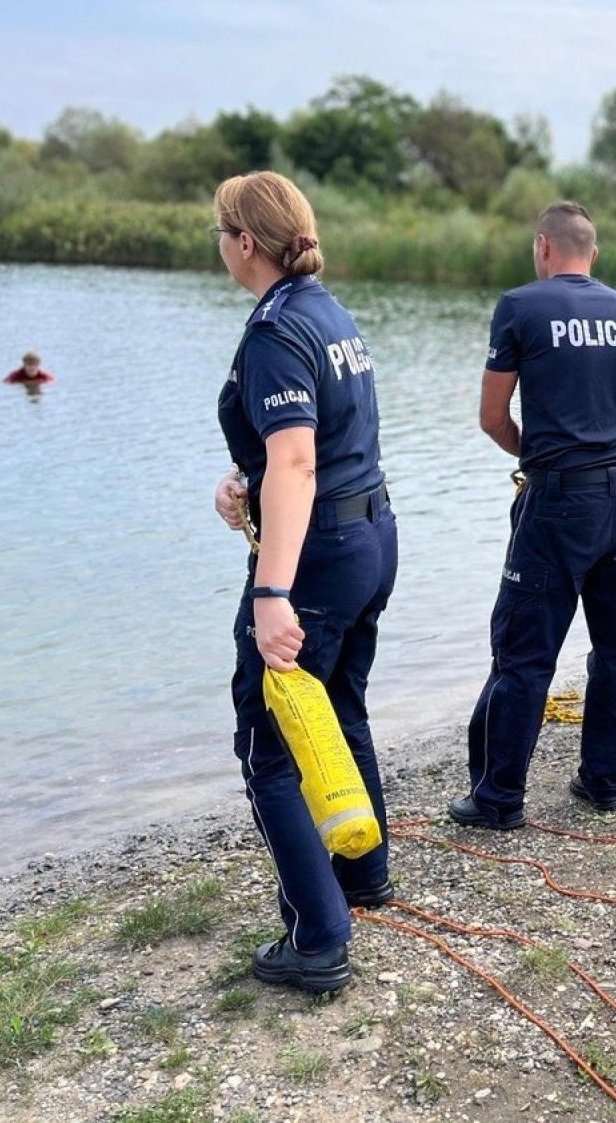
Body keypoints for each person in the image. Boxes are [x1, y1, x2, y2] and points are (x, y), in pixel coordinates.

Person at [211, 171, 398, 989]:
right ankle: (363, 873)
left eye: (219, 231)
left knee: (270, 739)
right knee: (340, 703)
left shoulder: (275, 332)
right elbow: (299, 447)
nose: (217, 245)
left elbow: (297, 457)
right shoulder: (326, 311)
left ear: (244, 243)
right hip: (370, 534)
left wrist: (270, 593)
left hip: (318, 555)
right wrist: (244, 481)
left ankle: (318, 939)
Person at [451, 201, 616, 830]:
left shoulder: (521, 306)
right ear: (590, 253)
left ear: (544, 247)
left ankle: (497, 798)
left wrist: (538, 455)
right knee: (615, 647)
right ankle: (604, 782)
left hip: (559, 501)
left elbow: (492, 419)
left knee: (524, 651)